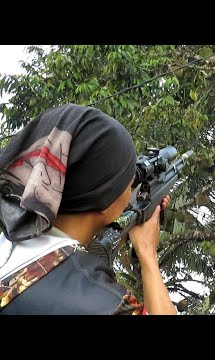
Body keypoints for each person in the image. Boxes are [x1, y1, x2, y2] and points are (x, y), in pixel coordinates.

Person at [0, 103, 177, 315]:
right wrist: (147, 253)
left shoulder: (11, 239)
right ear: (104, 197)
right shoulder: (105, 303)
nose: (130, 188)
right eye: (127, 183)